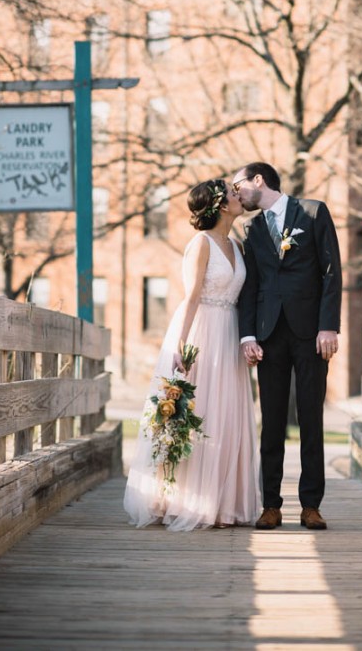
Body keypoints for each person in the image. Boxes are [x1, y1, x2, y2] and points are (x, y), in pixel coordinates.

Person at [124, 178, 261, 531]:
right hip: (203, 332)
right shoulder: (200, 244)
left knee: (226, 415)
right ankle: (184, 499)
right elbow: (191, 297)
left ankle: (223, 504)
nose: (238, 195)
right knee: (200, 414)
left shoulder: (235, 243)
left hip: (230, 333)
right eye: (232, 193)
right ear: (218, 205)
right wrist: (179, 347)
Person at [233, 162, 342, 530]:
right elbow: (250, 287)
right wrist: (247, 335)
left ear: (258, 181)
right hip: (268, 335)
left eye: (239, 186)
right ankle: (271, 505)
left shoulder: (312, 212)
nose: (236, 194)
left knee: (312, 418)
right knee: (273, 422)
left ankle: (311, 505)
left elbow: (331, 272)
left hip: (311, 333)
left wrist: (329, 326)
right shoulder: (250, 228)